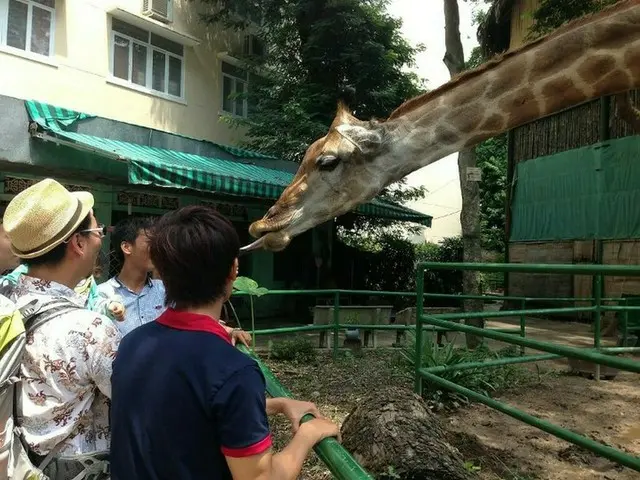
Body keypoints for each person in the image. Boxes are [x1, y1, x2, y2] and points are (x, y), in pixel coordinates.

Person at [110, 205, 339, 480]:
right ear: (234, 269)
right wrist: (307, 435)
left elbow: (184, 408)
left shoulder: (133, 344)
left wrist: (276, 404)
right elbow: (259, 478)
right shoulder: (233, 370)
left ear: (160, 272)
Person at [2, 178, 121, 476]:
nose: (100, 239)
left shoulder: (6, 303)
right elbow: (136, 402)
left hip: (17, 464)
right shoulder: (91, 330)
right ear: (78, 244)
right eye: (97, 231)